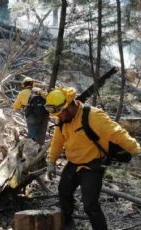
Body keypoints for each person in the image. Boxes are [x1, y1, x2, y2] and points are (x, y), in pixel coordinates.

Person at [45, 87, 141, 230]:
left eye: (61, 113)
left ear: (70, 106)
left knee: (90, 204)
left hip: (92, 166)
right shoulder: (62, 119)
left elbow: (117, 133)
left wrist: (136, 150)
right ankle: (68, 223)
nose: (59, 117)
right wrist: (51, 162)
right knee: (64, 191)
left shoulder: (94, 116)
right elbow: (57, 142)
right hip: (73, 163)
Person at [12, 77, 47, 143]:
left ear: (24, 85)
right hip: (42, 115)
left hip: (31, 116)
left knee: (32, 135)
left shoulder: (22, 93)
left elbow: (16, 106)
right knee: (40, 133)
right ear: (32, 84)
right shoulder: (38, 90)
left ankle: (31, 148)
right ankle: (39, 147)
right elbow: (47, 98)